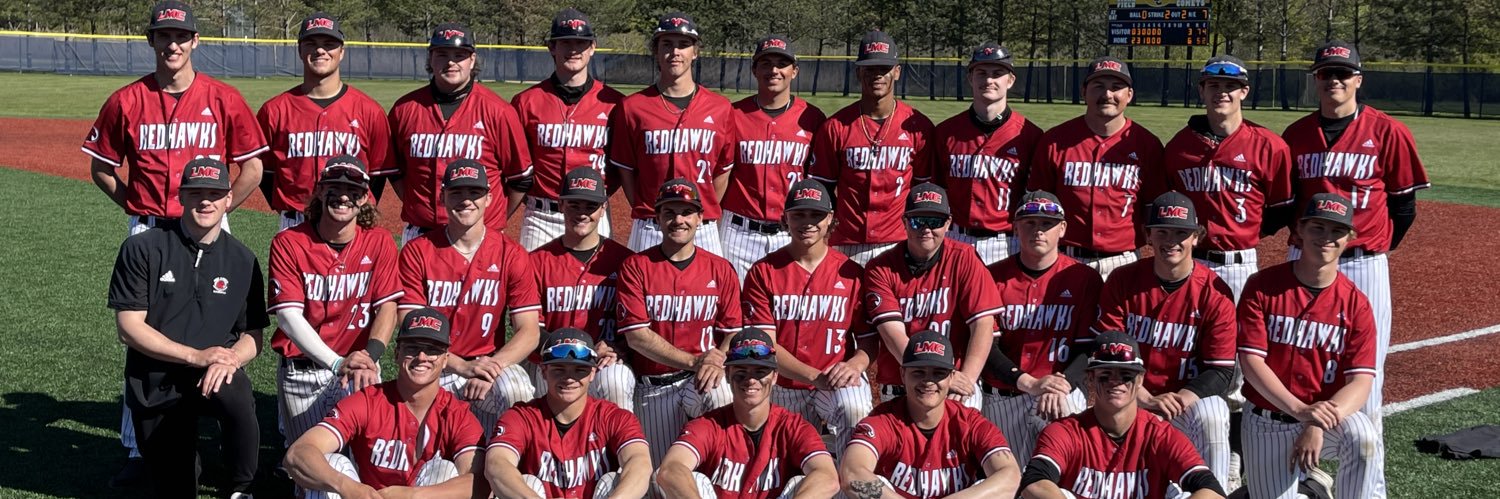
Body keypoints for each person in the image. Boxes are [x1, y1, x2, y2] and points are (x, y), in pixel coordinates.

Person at [85, 4, 267, 481]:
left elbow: (252, 167)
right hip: (150, 227)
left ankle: (219, 427)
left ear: (195, 40)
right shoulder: (126, 100)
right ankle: (138, 448)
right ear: (151, 40)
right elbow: (102, 167)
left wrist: (222, 209)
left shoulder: (223, 98)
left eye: (181, 35)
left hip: (208, 225)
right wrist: (135, 206)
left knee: (216, 327)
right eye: (164, 35)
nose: (173, 44)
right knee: (144, 335)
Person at [1281, 40, 1429, 430]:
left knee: (1366, 366)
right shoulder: (1295, 134)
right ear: (1316, 79)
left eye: (1343, 73)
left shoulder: (1387, 130)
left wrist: (1378, 247)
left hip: (1363, 261)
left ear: (1358, 79)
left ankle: (1365, 473)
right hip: (1303, 260)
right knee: (1295, 357)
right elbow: (1286, 204)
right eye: (1326, 73)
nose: (1334, 80)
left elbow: (1404, 206)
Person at [107, 157, 267, 499]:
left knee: (236, 391)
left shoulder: (243, 260)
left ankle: (242, 486)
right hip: (156, 377)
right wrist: (195, 356)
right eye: (196, 193)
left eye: (215, 193)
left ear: (228, 199)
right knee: (177, 485)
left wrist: (230, 360)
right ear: (181, 195)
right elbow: (128, 328)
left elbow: (253, 335)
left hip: (213, 373)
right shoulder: (142, 247)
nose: (205, 201)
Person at [1237, 193, 1385, 499]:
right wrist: (1301, 411)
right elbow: (1251, 365)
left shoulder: (1356, 303)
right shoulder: (1262, 286)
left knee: (1363, 437)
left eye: (1336, 231)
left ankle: (1314, 482)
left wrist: (1315, 421)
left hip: (1329, 421)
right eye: (1318, 228)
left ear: (1348, 239)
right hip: (1270, 421)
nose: (1326, 238)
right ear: (1299, 230)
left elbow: (1360, 381)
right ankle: (1311, 485)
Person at [1090, 191, 1238, 486]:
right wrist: (1144, 398)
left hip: (1185, 401)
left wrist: (1179, 400)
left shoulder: (1214, 291)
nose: (1172, 240)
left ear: (1197, 237)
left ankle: (1213, 490)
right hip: (1132, 396)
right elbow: (1105, 352)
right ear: (1148, 235)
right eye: (1163, 231)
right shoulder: (1123, 280)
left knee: (1214, 410)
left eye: (1181, 232)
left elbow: (1220, 369)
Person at [266, 156, 400, 454]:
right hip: (304, 370)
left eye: (352, 190)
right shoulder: (289, 242)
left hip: (359, 368)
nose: (342, 196)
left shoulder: (379, 242)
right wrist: (337, 362)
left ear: (365, 197)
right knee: (309, 464)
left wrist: (370, 356)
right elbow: (288, 317)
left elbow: (387, 308)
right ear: (319, 191)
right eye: (334, 187)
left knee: (363, 460)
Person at [398, 159, 542, 433]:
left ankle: (510, 465)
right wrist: (461, 366)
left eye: (474, 193)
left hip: (487, 366)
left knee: (518, 386)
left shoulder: (510, 254)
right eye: (457, 193)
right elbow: (410, 327)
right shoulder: (418, 251)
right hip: (430, 365)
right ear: (442, 197)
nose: (466, 201)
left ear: (489, 198)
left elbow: (529, 331)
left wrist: (492, 367)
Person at [284, 308, 485, 499]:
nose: (421, 357)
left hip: (421, 494)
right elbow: (297, 454)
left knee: (444, 471)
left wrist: (413, 496)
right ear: (396, 354)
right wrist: (346, 486)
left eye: (432, 350)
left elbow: (480, 483)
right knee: (332, 464)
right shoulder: (369, 401)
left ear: (445, 360)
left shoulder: (456, 414)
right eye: (412, 348)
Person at [614, 178, 742, 465]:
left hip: (699, 381)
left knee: (721, 392)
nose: (678, 220)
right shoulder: (636, 267)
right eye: (669, 212)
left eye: (686, 212)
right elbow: (637, 337)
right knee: (659, 481)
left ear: (700, 218)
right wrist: (696, 361)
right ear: (657, 218)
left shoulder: (720, 269)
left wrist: (717, 357)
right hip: (654, 387)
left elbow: (732, 332)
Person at [741, 179, 872, 454]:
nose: (807, 222)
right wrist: (814, 376)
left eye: (816, 215)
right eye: (799, 214)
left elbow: (869, 340)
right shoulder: (764, 272)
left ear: (830, 219)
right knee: (779, 459)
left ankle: (849, 490)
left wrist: (856, 364)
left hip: (834, 380)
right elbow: (765, 346)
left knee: (855, 406)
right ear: (785, 218)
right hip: (780, 384)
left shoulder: (851, 273)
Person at [1019, 331, 1226, 499]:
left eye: (1126, 375)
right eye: (1105, 375)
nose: (1115, 382)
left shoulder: (1160, 435)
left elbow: (1213, 491)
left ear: (1140, 380)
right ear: (1090, 380)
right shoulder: (1066, 431)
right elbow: (1034, 483)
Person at [982, 190, 1102, 466]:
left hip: (1060, 394)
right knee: (1007, 482)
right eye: (1030, 223)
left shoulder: (1084, 278)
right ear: (1015, 227)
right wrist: (1029, 383)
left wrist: (1063, 384)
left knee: (1063, 477)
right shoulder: (992, 277)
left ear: (1062, 229)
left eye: (1047, 224)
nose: (1038, 231)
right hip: (1006, 395)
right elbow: (986, 346)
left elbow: (1088, 347)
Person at [388, 22, 534, 244]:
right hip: (421, 234)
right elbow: (395, 170)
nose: (450, 62)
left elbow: (520, 178)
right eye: (442, 54)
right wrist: (417, 205)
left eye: (459, 55)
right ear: (430, 58)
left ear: (472, 59)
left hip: (481, 235)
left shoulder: (499, 111)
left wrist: (494, 218)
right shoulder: (404, 109)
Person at [1163, 55, 1293, 300]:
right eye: (1213, 85)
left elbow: (1281, 209)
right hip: (1190, 260)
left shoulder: (1270, 146)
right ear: (1201, 90)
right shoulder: (1178, 148)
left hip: (1241, 264)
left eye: (1230, 86)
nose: (1221, 93)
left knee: (1238, 335)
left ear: (1244, 92)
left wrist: (1246, 232)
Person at [862, 183, 1000, 410]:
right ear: (905, 222)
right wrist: (931, 374)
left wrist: (966, 379)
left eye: (935, 221)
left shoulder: (964, 258)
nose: (926, 229)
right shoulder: (881, 267)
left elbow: (983, 324)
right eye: (918, 221)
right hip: (901, 385)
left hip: (954, 383)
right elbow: (892, 334)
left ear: (948, 223)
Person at [656, 328, 841, 498]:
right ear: (727, 375)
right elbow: (670, 469)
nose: (751, 380)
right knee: (695, 480)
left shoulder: (792, 426)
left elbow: (827, 477)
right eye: (741, 371)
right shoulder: (710, 425)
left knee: (801, 483)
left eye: (760, 372)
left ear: (775, 376)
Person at [610, 12, 737, 255]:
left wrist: (701, 209)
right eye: (667, 44)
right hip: (650, 224)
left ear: (695, 52)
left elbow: (722, 171)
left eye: (683, 44)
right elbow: (626, 170)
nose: (675, 51)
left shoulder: (720, 108)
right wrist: (648, 208)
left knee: (705, 293)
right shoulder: (633, 107)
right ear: (656, 51)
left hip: (702, 226)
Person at [1027, 57, 1164, 280]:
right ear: (1084, 91)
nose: (1107, 94)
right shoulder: (1055, 141)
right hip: (1065, 257)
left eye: (1116, 87)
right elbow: (1039, 205)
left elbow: (1153, 210)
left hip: (1125, 260)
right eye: (1098, 86)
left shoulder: (1147, 144)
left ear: (1129, 95)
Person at [841, 329, 1022, 498]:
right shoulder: (883, 420)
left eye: (938, 373)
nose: (928, 381)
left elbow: (1010, 476)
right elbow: (852, 473)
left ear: (951, 377)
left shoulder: (970, 422)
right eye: (919, 372)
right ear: (902, 374)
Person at [257, 12, 394, 231]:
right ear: (300, 50)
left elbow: (377, 174)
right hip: (295, 223)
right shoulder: (274, 111)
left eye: (329, 43)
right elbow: (264, 172)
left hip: (350, 220)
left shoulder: (370, 111)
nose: (320, 50)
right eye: (311, 43)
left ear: (342, 52)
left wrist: (355, 207)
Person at [808, 30, 934, 266]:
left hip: (898, 241)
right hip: (846, 242)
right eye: (870, 69)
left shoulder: (919, 127)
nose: (877, 75)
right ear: (858, 73)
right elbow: (822, 189)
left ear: (897, 71)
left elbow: (923, 191)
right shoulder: (835, 127)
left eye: (884, 68)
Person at [485, 328, 653, 499]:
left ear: (592, 373)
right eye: (559, 369)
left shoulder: (613, 416)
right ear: (544, 371)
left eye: (580, 370)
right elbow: (497, 464)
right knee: (528, 483)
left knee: (613, 482)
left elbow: (639, 462)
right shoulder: (522, 416)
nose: (569, 378)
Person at [512, 8, 624, 250]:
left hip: (592, 212)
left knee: (597, 286)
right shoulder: (526, 102)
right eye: (565, 42)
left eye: (581, 43)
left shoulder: (614, 103)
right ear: (552, 47)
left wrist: (598, 197)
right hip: (542, 215)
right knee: (533, 286)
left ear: (592, 47)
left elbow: (620, 167)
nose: (574, 49)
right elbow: (516, 165)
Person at [719, 34, 827, 279]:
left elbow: (821, 180)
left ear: (794, 71)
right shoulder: (733, 115)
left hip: (790, 232)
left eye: (782, 63)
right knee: (736, 308)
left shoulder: (812, 118)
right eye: (766, 63)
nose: (774, 70)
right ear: (755, 70)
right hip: (738, 232)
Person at [530, 167, 637, 409]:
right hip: (552, 363)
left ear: (604, 208)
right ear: (561, 204)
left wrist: (618, 348)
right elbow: (528, 330)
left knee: (616, 380)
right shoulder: (536, 262)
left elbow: (637, 326)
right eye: (574, 204)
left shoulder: (626, 262)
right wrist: (575, 351)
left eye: (590, 206)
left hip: (604, 365)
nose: (582, 213)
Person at [933, 42, 1043, 265]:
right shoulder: (945, 133)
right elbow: (937, 189)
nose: (989, 80)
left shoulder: (1030, 136)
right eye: (981, 73)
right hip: (955, 236)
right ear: (970, 78)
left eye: (997, 73)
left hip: (1006, 242)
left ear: (1010, 80)